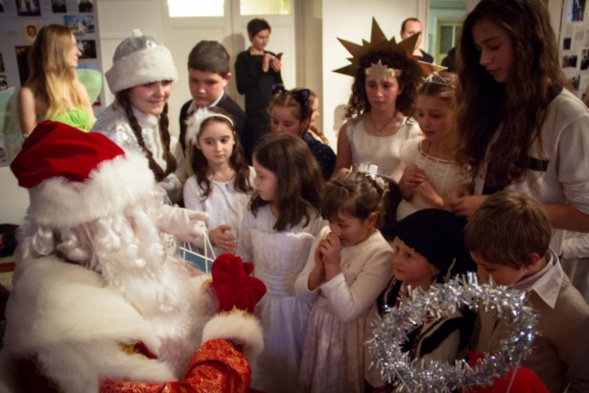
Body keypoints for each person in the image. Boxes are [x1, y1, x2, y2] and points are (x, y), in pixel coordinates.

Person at [0, 120, 266, 392]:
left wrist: (209, 295)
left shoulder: (91, 268)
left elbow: (151, 310)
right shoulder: (71, 328)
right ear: (91, 231)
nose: (144, 226)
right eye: (130, 214)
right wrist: (228, 333)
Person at [446, 0, 589, 257]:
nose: (484, 60)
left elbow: (585, 216)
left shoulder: (568, 116)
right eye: (478, 49)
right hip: (480, 258)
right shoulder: (492, 101)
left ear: (527, 42)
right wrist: (472, 189)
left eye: (494, 46)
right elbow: (510, 180)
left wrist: (493, 206)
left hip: (527, 266)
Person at [464, 191, 589, 393]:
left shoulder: (572, 313)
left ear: (529, 261)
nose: (480, 274)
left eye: (489, 268)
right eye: (477, 264)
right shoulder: (495, 276)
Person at [236, 133, 325, 393]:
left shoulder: (313, 218)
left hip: (298, 311)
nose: (255, 181)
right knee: (262, 372)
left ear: (287, 177)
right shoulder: (255, 213)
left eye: (262, 176)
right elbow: (244, 255)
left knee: (293, 373)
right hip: (262, 306)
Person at [294, 171, 393, 392]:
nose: (335, 231)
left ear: (371, 220)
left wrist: (332, 265)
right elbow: (301, 294)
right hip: (319, 327)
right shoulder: (325, 233)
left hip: (349, 338)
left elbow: (347, 312)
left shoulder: (380, 254)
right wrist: (319, 268)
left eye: (343, 224)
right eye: (330, 221)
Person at [367, 208, 476, 392]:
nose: (397, 260)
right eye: (397, 249)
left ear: (435, 268)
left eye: (408, 255)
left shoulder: (445, 320)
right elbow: (372, 335)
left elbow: (427, 379)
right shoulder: (391, 291)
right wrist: (376, 383)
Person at [333, 18, 429, 183]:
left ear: (401, 87)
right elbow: (338, 175)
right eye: (372, 85)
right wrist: (340, 176)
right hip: (358, 205)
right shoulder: (350, 130)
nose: (378, 93)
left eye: (386, 85)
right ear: (363, 86)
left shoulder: (412, 132)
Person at [92, 30, 184, 203]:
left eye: (165, 82)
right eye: (148, 84)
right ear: (126, 87)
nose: (160, 92)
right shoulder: (113, 132)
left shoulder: (150, 118)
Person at [183, 107, 254, 257]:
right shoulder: (193, 185)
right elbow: (194, 229)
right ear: (198, 143)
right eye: (209, 142)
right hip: (216, 262)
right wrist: (210, 236)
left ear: (234, 139)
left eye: (224, 140)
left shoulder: (251, 175)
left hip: (252, 258)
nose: (218, 148)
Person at [396, 71, 468, 220]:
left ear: (460, 113)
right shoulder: (415, 150)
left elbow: (467, 220)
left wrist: (434, 199)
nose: (425, 123)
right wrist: (405, 188)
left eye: (435, 115)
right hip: (403, 229)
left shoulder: (470, 162)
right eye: (420, 114)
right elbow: (405, 196)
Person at [178, 40, 251, 167]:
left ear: (226, 79)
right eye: (194, 80)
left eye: (210, 82)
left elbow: (242, 164)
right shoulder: (186, 109)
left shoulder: (236, 117)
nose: (200, 90)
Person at [17, 24, 95, 137]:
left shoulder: (78, 88)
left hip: (90, 153)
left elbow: (95, 130)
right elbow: (32, 147)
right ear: (57, 51)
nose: (79, 53)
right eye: (72, 46)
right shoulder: (29, 94)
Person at [235, 18, 283, 154]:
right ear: (250, 36)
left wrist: (277, 71)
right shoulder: (243, 58)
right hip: (254, 114)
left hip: (272, 112)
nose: (264, 41)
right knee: (256, 149)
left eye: (267, 37)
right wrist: (262, 69)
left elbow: (279, 86)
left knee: (274, 149)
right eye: (260, 37)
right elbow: (241, 88)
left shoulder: (271, 56)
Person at [269, 85, 336, 180]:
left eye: (287, 124)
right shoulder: (265, 149)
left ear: (304, 123)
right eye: (275, 122)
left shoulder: (320, 154)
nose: (278, 129)